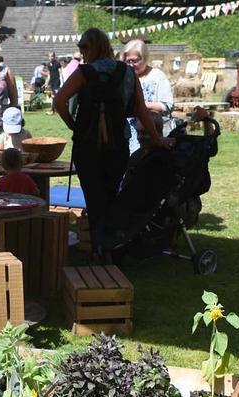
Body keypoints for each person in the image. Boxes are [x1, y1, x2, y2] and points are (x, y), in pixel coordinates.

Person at [54, 28, 169, 255]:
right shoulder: (127, 73)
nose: (82, 53)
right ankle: (109, 248)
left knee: (95, 199)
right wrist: (158, 139)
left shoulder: (84, 72)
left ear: (93, 47)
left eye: (84, 48)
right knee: (109, 198)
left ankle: (100, 248)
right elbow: (140, 110)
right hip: (118, 145)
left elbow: (59, 101)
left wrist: (74, 125)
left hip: (88, 147)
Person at [122, 39, 173, 154]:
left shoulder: (157, 76)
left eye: (134, 61)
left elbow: (167, 105)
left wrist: (142, 106)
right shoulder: (123, 78)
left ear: (144, 58)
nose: (130, 65)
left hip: (150, 133)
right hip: (127, 134)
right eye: (127, 61)